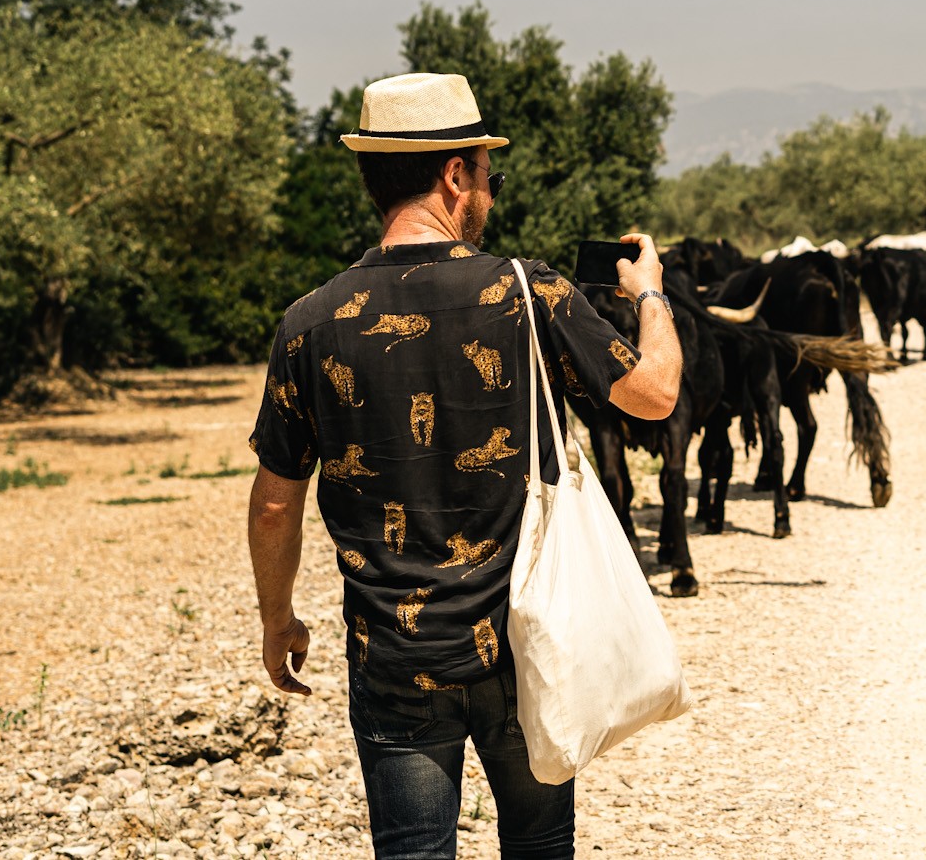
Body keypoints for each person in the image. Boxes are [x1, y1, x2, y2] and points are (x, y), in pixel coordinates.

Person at [245, 71, 682, 860]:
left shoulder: (307, 323)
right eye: (489, 173)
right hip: (524, 642)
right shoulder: (528, 291)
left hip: (393, 656)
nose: (490, 191)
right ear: (455, 175)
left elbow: (276, 502)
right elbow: (655, 393)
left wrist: (277, 620)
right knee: (540, 846)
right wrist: (651, 294)